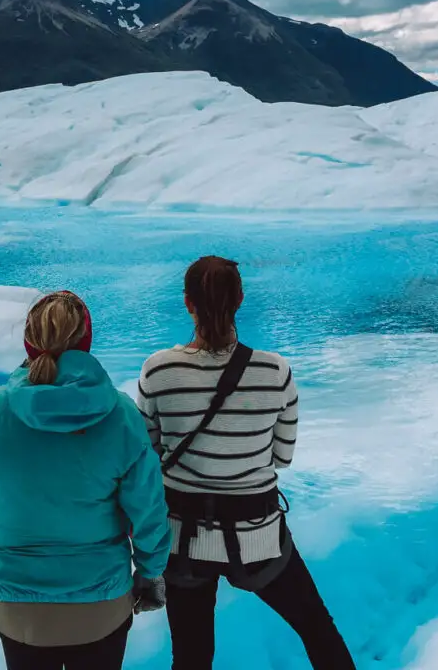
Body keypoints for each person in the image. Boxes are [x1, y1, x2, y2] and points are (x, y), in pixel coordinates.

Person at [137, 257, 356, 670]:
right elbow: (282, 457)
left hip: (184, 542)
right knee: (316, 628)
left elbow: (148, 456)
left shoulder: (158, 370)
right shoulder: (274, 371)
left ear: (188, 303)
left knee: (191, 656)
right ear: (239, 299)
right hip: (258, 538)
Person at [0, 290, 172, 670]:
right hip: (103, 603)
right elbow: (148, 511)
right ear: (86, 343)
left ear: (28, 342)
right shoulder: (121, 414)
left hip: (19, 608)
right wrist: (150, 571)